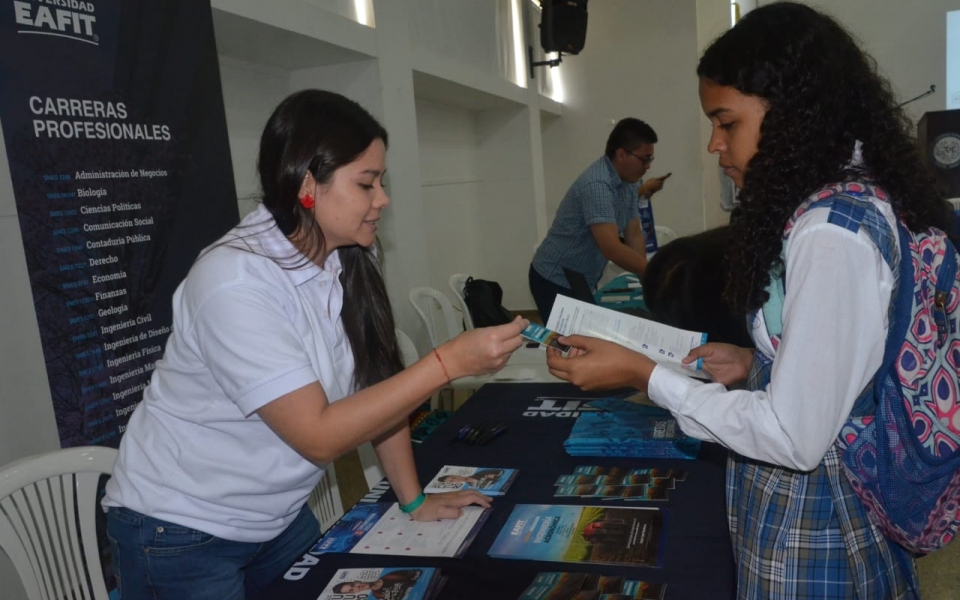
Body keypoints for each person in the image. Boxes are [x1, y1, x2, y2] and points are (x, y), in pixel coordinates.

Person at [545, 3, 952, 598]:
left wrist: (644, 373)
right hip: (840, 493)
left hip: (818, 523)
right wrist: (753, 360)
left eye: (726, 122)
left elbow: (793, 436)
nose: (714, 144)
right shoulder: (853, 201)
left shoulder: (830, 232)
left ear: (791, 114)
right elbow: (848, 357)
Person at [102, 89, 527, 600]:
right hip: (182, 529)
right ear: (307, 184)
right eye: (367, 184)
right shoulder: (234, 280)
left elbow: (377, 388)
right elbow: (319, 435)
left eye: (381, 182)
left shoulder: (344, 257)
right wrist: (447, 362)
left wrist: (413, 501)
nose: (382, 200)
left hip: (274, 517)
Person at [528, 118, 670, 321]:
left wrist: (645, 280)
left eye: (650, 160)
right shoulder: (598, 185)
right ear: (621, 154)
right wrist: (652, 273)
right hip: (554, 278)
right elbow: (611, 247)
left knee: (585, 340)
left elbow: (633, 232)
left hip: (581, 278)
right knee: (568, 346)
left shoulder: (629, 180)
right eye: (644, 159)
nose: (648, 167)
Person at [331, 569, 422, 599]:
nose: (357, 587)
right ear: (354, 593)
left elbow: (419, 574)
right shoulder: (377, 595)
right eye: (352, 589)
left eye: (352, 585)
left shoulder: (391, 576)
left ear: (356, 581)